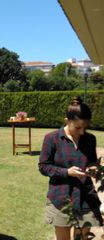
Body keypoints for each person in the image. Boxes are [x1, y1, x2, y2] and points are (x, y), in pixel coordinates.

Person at [39, 96, 103, 240]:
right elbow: (43, 167)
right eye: (78, 127)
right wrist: (67, 172)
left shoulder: (90, 139)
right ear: (67, 121)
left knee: (83, 238)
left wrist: (94, 169)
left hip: (86, 198)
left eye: (85, 127)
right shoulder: (52, 138)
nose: (82, 132)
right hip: (60, 198)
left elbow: (92, 163)